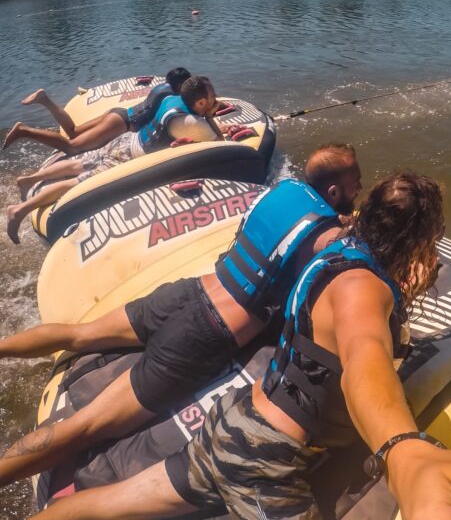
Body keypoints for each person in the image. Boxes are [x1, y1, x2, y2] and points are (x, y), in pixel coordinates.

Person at [31, 173, 451, 520]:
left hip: (237, 424)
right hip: (266, 463)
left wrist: (401, 284)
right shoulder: (366, 292)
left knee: (110, 504)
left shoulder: (339, 252)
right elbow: (365, 359)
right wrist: (403, 448)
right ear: (420, 240)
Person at [0, 144, 364, 488]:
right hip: (204, 334)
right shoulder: (330, 236)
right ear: (334, 191)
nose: (360, 187)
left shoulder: (283, 190)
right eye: (355, 182)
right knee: (86, 427)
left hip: (184, 293)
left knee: (78, 334)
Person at [5, 76, 221, 244]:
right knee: (77, 182)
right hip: (130, 156)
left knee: (78, 164)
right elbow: (218, 143)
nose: (216, 99)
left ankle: (30, 179)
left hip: (126, 140)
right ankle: (19, 211)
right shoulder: (190, 122)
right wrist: (210, 116)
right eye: (212, 97)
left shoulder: (173, 99)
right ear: (201, 101)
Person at [2, 68, 192, 154]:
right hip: (122, 123)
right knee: (72, 146)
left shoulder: (161, 87)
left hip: (119, 113)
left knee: (73, 132)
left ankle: (45, 100)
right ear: (181, 84)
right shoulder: (172, 95)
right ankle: (24, 131)